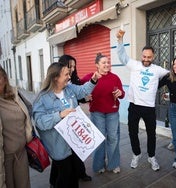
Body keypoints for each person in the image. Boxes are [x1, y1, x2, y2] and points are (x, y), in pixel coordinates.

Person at [32, 62, 101, 188]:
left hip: (74, 142)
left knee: (73, 174)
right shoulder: (42, 98)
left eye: (69, 74)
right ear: (55, 78)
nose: (69, 77)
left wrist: (93, 80)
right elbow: (39, 122)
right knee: (65, 176)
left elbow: (82, 91)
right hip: (58, 146)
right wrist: (59, 115)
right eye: (66, 74)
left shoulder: (69, 89)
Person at [116, 29, 169, 171]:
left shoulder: (158, 70)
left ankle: (151, 156)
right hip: (134, 106)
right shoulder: (134, 65)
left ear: (153, 57)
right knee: (132, 132)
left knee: (152, 134)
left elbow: (173, 75)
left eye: (149, 57)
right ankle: (136, 154)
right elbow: (122, 56)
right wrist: (120, 40)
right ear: (141, 55)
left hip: (149, 108)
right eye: (144, 56)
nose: (146, 59)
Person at [48, 55, 92, 188]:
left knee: (75, 152)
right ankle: (55, 180)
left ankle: (79, 173)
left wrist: (86, 97)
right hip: (63, 124)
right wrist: (59, 115)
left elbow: (80, 93)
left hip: (74, 120)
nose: (72, 69)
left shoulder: (73, 80)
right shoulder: (56, 85)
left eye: (74, 66)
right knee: (61, 159)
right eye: (69, 66)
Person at [80, 53, 125, 174]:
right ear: (97, 65)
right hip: (97, 113)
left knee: (113, 138)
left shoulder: (115, 77)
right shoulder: (90, 77)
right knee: (99, 140)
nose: (107, 64)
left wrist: (120, 93)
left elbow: (122, 93)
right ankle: (98, 165)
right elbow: (79, 87)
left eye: (108, 62)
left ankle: (113, 164)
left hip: (112, 113)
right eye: (103, 62)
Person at [0, 66, 33, 188]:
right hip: (4, 158)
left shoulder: (15, 94)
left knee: (24, 184)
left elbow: (29, 110)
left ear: (4, 78)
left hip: (21, 152)